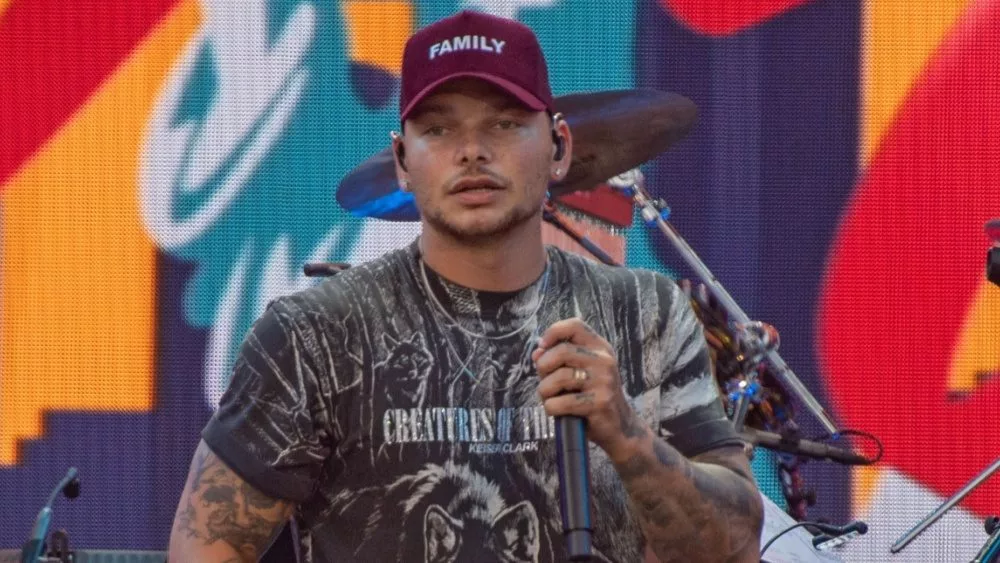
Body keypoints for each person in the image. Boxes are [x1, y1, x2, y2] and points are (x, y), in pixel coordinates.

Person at [168, 10, 763, 563]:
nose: (472, 152)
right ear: (402, 160)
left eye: (503, 124)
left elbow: (734, 545)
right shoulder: (315, 335)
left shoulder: (646, 313)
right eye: (439, 129)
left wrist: (627, 435)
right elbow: (206, 545)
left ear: (559, 147)